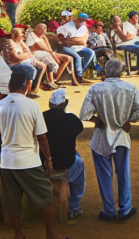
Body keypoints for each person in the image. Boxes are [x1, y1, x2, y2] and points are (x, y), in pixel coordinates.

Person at [0, 71, 66, 239]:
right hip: (28, 161)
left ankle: (18, 234)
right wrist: (49, 159)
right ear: (26, 86)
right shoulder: (32, 105)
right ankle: (51, 234)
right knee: (45, 195)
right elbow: (42, 137)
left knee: (12, 200)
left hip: (7, 161)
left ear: (9, 87)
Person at [79, 60, 139, 221]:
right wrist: (129, 120)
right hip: (121, 135)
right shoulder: (130, 88)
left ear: (106, 71)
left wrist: (96, 120)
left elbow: (84, 113)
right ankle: (125, 209)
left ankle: (109, 211)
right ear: (121, 72)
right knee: (123, 173)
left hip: (101, 137)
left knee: (104, 175)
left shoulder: (96, 89)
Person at [41, 89, 86, 219]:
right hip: (66, 162)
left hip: (43, 161)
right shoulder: (72, 119)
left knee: (76, 155)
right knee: (79, 162)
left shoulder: (42, 117)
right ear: (65, 103)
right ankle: (74, 207)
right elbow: (79, 128)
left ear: (49, 104)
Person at [5, 27, 49, 94]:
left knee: (42, 66)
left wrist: (23, 53)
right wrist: (25, 54)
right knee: (31, 69)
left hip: (24, 60)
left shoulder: (20, 41)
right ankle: (28, 91)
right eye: (21, 33)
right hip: (14, 64)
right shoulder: (10, 42)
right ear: (16, 34)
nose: (23, 35)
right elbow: (16, 57)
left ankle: (35, 89)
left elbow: (29, 53)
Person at [57, 13, 96, 84]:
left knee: (91, 53)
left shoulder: (84, 27)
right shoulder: (66, 26)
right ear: (75, 20)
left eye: (84, 20)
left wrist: (72, 40)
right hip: (68, 47)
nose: (82, 22)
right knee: (78, 58)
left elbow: (83, 41)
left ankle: (79, 73)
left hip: (80, 47)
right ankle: (79, 76)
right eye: (81, 20)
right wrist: (65, 40)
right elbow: (60, 38)